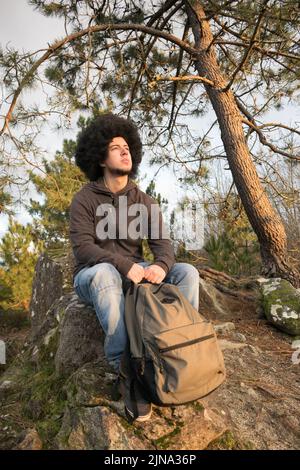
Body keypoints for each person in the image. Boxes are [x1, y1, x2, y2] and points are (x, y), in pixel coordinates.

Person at [69, 113, 200, 421]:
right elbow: (84, 248)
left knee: (187, 273)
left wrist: (162, 266)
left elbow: (163, 247)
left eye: (127, 146)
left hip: (135, 273)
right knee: (104, 274)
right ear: (101, 157)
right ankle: (126, 371)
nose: (125, 151)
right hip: (94, 276)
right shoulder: (84, 199)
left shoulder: (144, 200)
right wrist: (124, 265)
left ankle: (178, 353)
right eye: (116, 147)